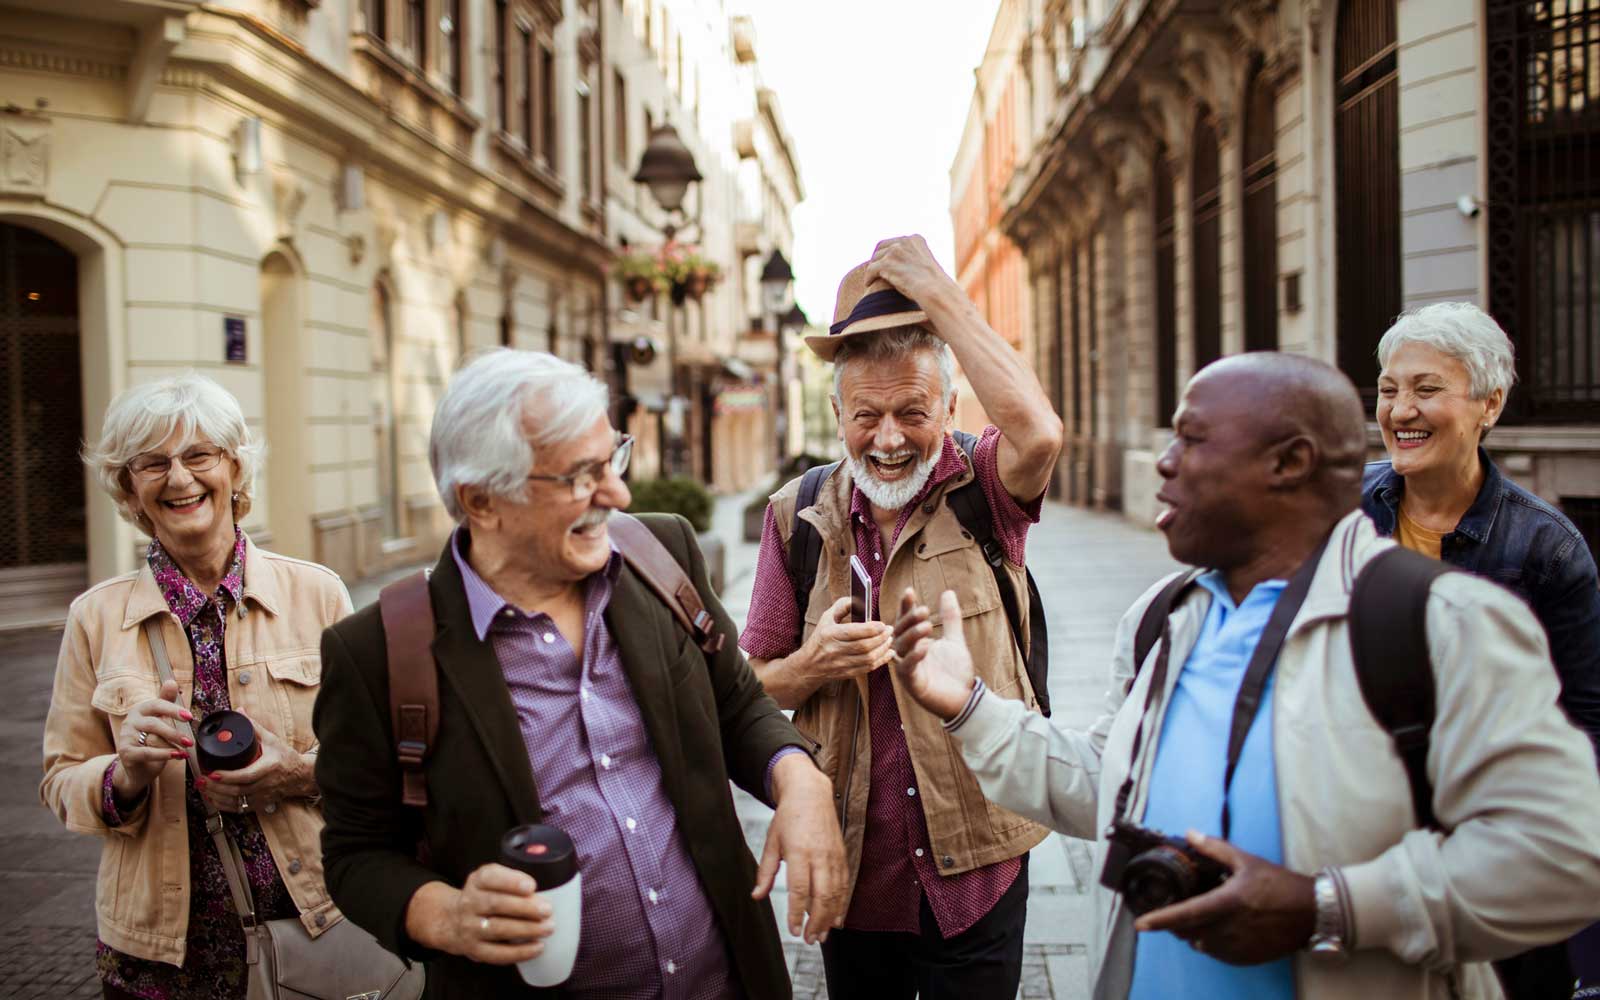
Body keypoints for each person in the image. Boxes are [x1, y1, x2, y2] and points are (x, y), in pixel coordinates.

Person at [891, 352, 1600, 999]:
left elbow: (1565, 856)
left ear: (1289, 463)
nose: (1164, 462)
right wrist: (968, 707)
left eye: (1192, 439)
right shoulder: (1162, 618)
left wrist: (1326, 905)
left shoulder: (1440, 620)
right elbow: (1108, 786)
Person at [313, 349, 846, 998]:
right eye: (580, 476)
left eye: (612, 459)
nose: (618, 494)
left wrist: (801, 781)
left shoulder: (661, 553)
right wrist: (444, 915)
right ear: (481, 501)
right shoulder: (377, 651)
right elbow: (354, 855)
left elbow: (735, 702)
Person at [741, 235, 1064, 998]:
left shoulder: (983, 487)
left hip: (977, 866)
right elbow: (747, 691)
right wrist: (812, 664)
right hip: (854, 873)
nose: (888, 440)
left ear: (949, 405)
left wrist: (943, 299)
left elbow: (1042, 433)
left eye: (913, 412)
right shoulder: (795, 517)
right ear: (836, 413)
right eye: (866, 415)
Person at [41, 374, 353, 1000]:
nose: (179, 479)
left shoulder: (316, 594)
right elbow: (60, 779)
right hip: (158, 955)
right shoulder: (95, 618)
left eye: (198, 456)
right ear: (129, 488)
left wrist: (298, 772)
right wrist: (123, 775)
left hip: (313, 923)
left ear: (234, 469)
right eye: (152, 463)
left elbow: (385, 758)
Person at [1363, 300, 1600, 997]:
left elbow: (1585, 721)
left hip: (1489, 858)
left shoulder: (1547, 548)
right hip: (1365, 842)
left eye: (1427, 389)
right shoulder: (1347, 519)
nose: (1401, 410)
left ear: (1489, 405)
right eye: (1388, 390)